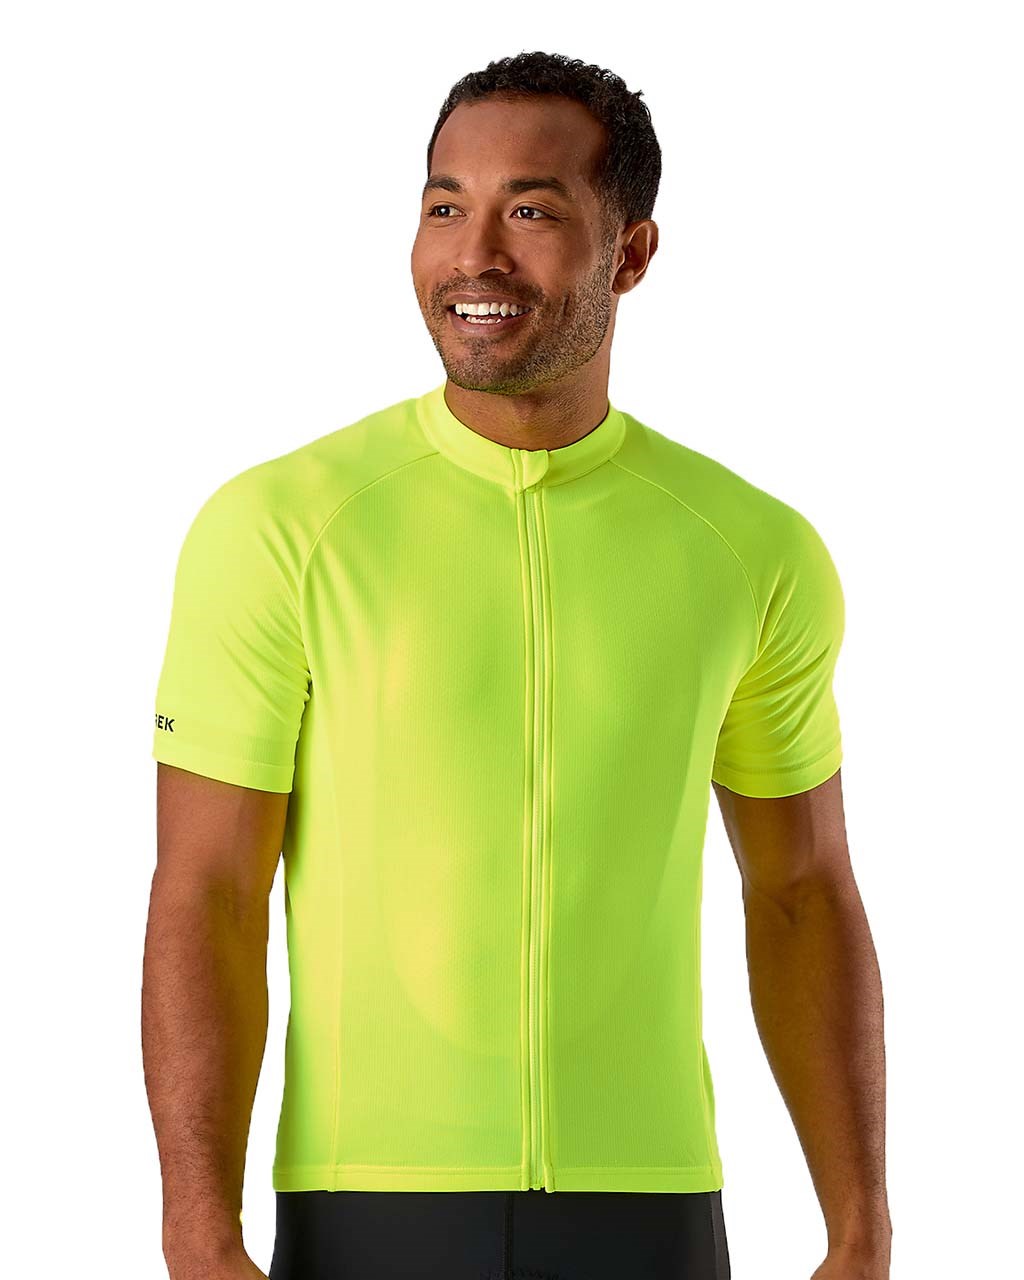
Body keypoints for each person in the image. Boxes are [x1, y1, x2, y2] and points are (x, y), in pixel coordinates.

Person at [142, 50, 892, 1280]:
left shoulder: (750, 548)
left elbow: (804, 890)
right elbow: (206, 892)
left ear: (630, 253)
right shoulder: (281, 525)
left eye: (530, 211)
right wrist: (196, 1234)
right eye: (445, 206)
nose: (472, 255)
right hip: (368, 1202)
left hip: (650, 1202)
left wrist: (859, 1230)